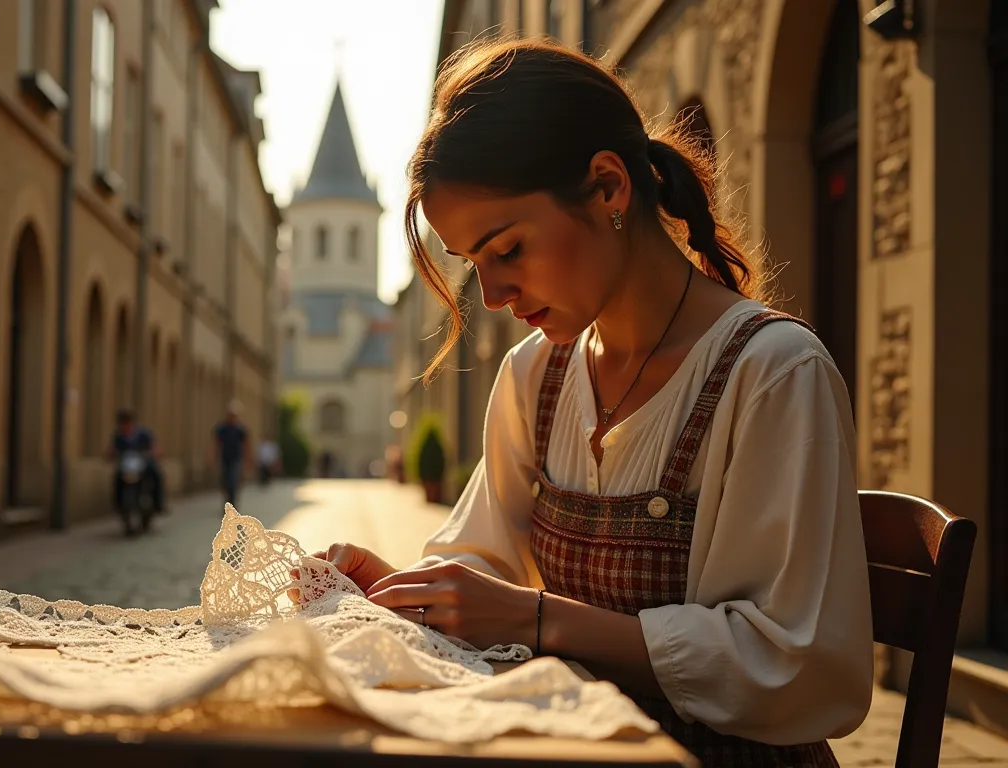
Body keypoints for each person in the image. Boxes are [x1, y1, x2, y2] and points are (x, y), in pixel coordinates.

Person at [307, 39, 872, 767]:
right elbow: (482, 575)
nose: (495, 295)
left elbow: (797, 666)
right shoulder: (535, 377)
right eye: (475, 265)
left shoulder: (772, 373)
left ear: (608, 188)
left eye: (507, 248)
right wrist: (401, 590)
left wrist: (541, 619)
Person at [106, 410, 164, 522]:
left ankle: (158, 503)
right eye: (122, 424)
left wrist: (152, 453)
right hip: (127, 466)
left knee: (156, 473)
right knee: (117, 478)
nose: (125, 426)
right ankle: (118, 505)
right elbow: (110, 450)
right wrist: (111, 454)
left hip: (143, 463)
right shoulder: (118, 436)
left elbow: (155, 447)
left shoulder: (143, 434)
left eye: (127, 423)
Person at [212, 402, 250, 509]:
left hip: (236, 459)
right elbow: (216, 443)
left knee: (232, 480)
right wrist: (212, 457)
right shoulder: (222, 429)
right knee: (225, 481)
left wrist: (247, 459)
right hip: (224, 458)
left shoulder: (240, 430)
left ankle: (232, 503)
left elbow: (246, 445)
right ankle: (227, 501)